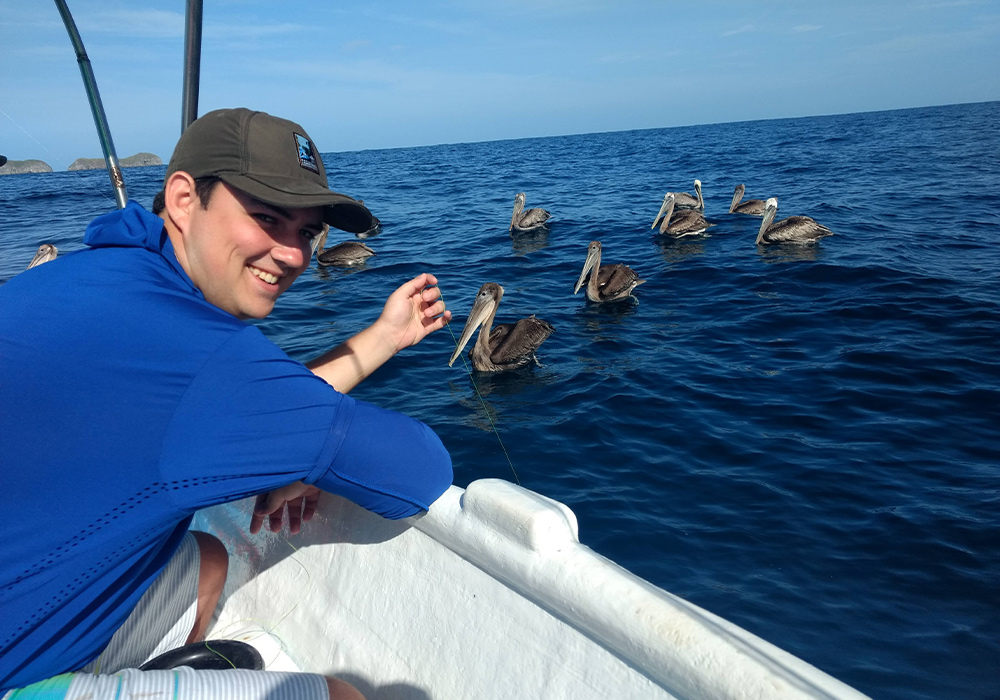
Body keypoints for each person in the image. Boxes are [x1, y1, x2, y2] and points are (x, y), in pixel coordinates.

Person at [0, 108, 454, 700]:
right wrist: (303, 456)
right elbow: (417, 474)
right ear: (185, 199)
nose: (293, 254)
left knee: (209, 557)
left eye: (308, 232)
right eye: (267, 218)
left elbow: (208, 402)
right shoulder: (197, 358)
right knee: (345, 696)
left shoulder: (86, 275)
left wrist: (383, 339)